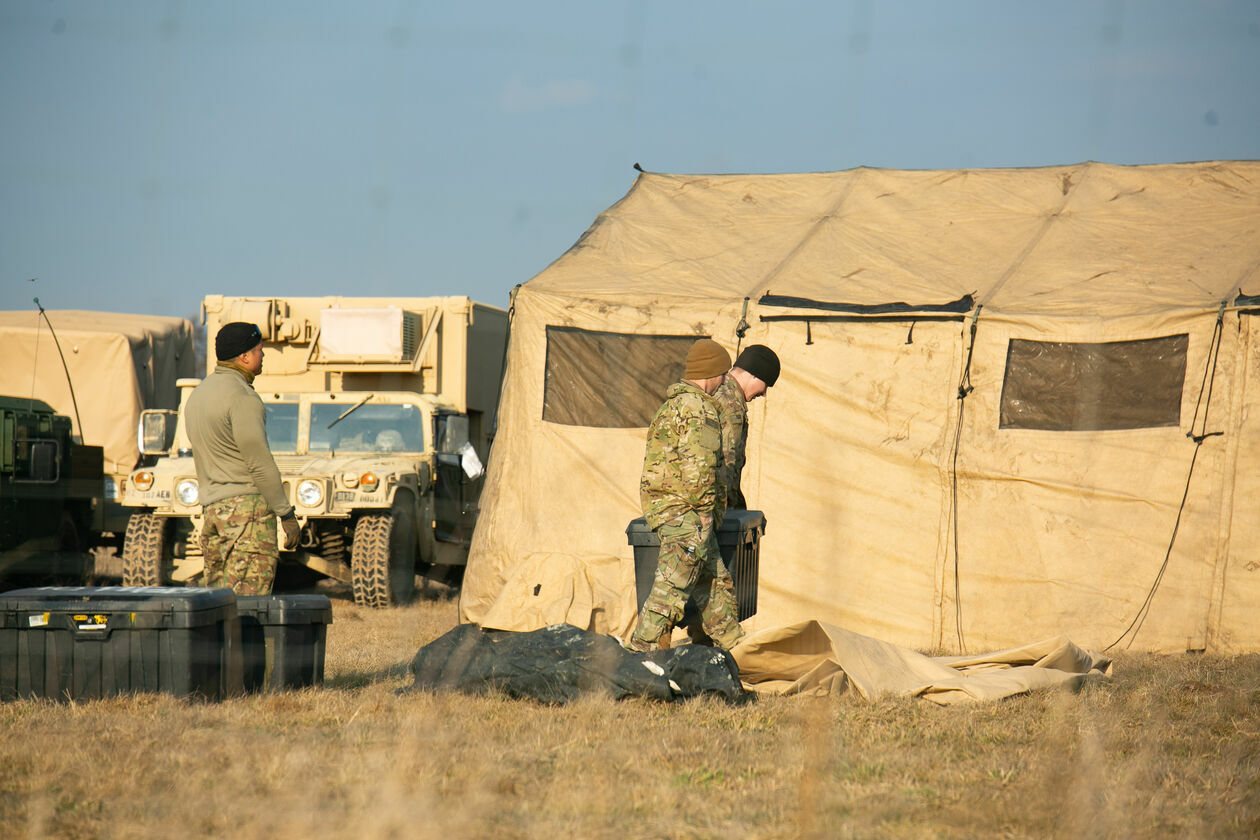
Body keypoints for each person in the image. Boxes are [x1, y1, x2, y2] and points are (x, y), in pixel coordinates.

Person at [627, 338, 742, 652]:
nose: (722, 383)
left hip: (670, 507)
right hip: (687, 513)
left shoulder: (672, 406)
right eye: (721, 375)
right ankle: (640, 651)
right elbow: (699, 468)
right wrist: (706, 514)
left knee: (715, 582)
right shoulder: (700, 408)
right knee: (671, 588)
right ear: (709, 374)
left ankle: (735, 650)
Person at [185, 321, 300, 594]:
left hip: (212, 511)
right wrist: (286, 514)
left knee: (217, 605)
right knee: (249, 607)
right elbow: (259, 462)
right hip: (246, 516)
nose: (263, 355)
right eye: (259, 350)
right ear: (245, 356)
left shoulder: (198, 396)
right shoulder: (242, 397)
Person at [710, 344, 781, 513]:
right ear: (755, 375)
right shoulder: (731, 404)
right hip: (719, 505)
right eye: (766, 385)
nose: (764, 394)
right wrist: (728, 513)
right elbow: (726, 462)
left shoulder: (718, 390)